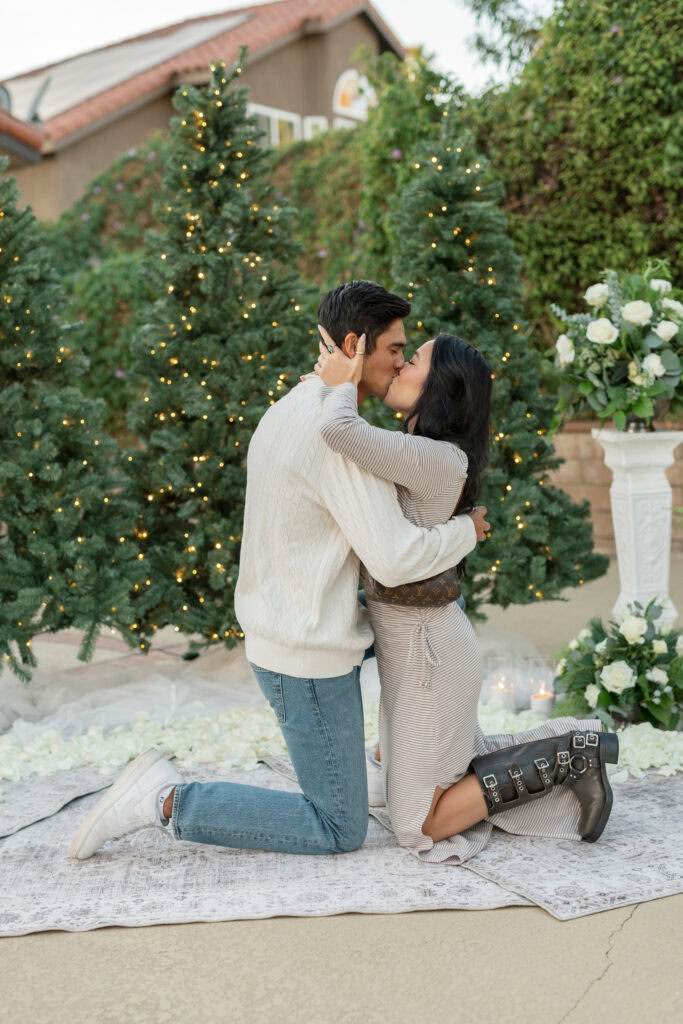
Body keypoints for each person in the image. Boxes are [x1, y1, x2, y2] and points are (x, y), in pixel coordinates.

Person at [69, 280, 487, 861]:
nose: (400, 362)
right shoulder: (336, 439)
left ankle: (378, 761)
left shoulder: (291, 406)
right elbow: (394, 560)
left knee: (427, 628)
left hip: (286, 629)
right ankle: (163, 800)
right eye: (395, 350)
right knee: (337, 826)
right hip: (308, 654)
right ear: (354, 346)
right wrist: (466, 530)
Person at [312, 323, 618, 864]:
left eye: (416, 361)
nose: (401, 365)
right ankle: (579, 746)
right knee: (431, 775)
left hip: (430, 653)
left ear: (444, 388)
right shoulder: (418, 447)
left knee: (418, 822)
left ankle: (569, 755)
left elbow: (338, 430)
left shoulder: (435, 455)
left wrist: (342, 377)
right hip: (415, 649)